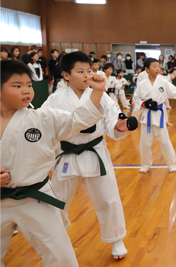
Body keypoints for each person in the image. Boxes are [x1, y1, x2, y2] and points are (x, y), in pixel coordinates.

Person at [0, 59, 110, 267]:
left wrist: (96, 92)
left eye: (29, 85)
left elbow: (76, 120)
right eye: (17, 86)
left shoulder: (42, 117)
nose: (26, 91)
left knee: (61, 256)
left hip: (35, 199)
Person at [41, 52, 135, 260]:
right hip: (67, 154)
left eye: (89, 70)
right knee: (56, 201)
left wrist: (119, 126)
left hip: (95, 152)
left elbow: (113, 123)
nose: (86, 75)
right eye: (80, 71)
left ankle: (116, 239)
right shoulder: (54, 99)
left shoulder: (102, 95)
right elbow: (45, 127)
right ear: (66, 75)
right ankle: (56, 238)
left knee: (108, 199)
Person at [133, 58, 176, 173]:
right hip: (147, 115)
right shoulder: (142, 84)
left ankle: (171, 164)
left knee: (164, 141)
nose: (157, 68)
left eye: (158, 66)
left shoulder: (163, 82)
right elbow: (136, 99)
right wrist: (144, 103)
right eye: (154, 66)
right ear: (147, 69)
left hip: (159, 115)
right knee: (144, 142)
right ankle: (145, 164)